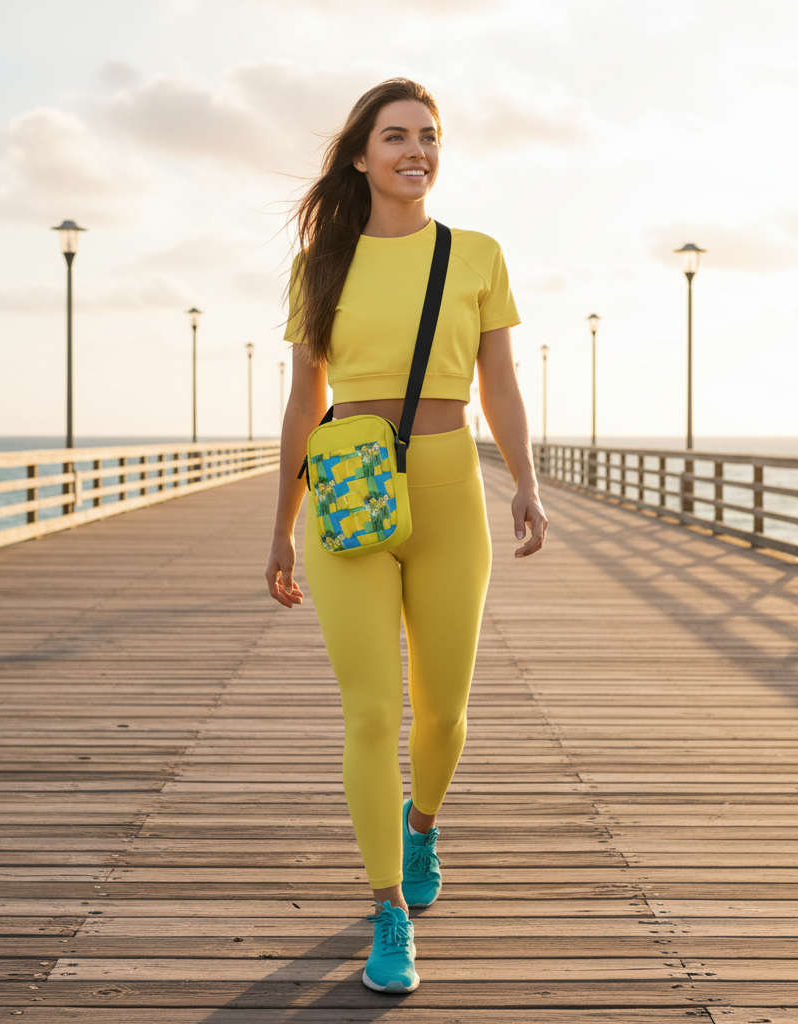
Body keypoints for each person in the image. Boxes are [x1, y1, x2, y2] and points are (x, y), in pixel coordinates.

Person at [265, 78, 547, 994]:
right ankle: (390, 907)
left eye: (428, 136)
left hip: (449, 484)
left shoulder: (477, 255)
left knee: (445, 708)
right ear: (360, 156)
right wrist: (282, 525)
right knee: (371, 711)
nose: (415, 149)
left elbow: (500, 385)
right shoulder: (323, 266)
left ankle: (421, 823)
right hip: (348, 491)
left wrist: (527, 486)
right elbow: (305, 404)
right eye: (395, 137)